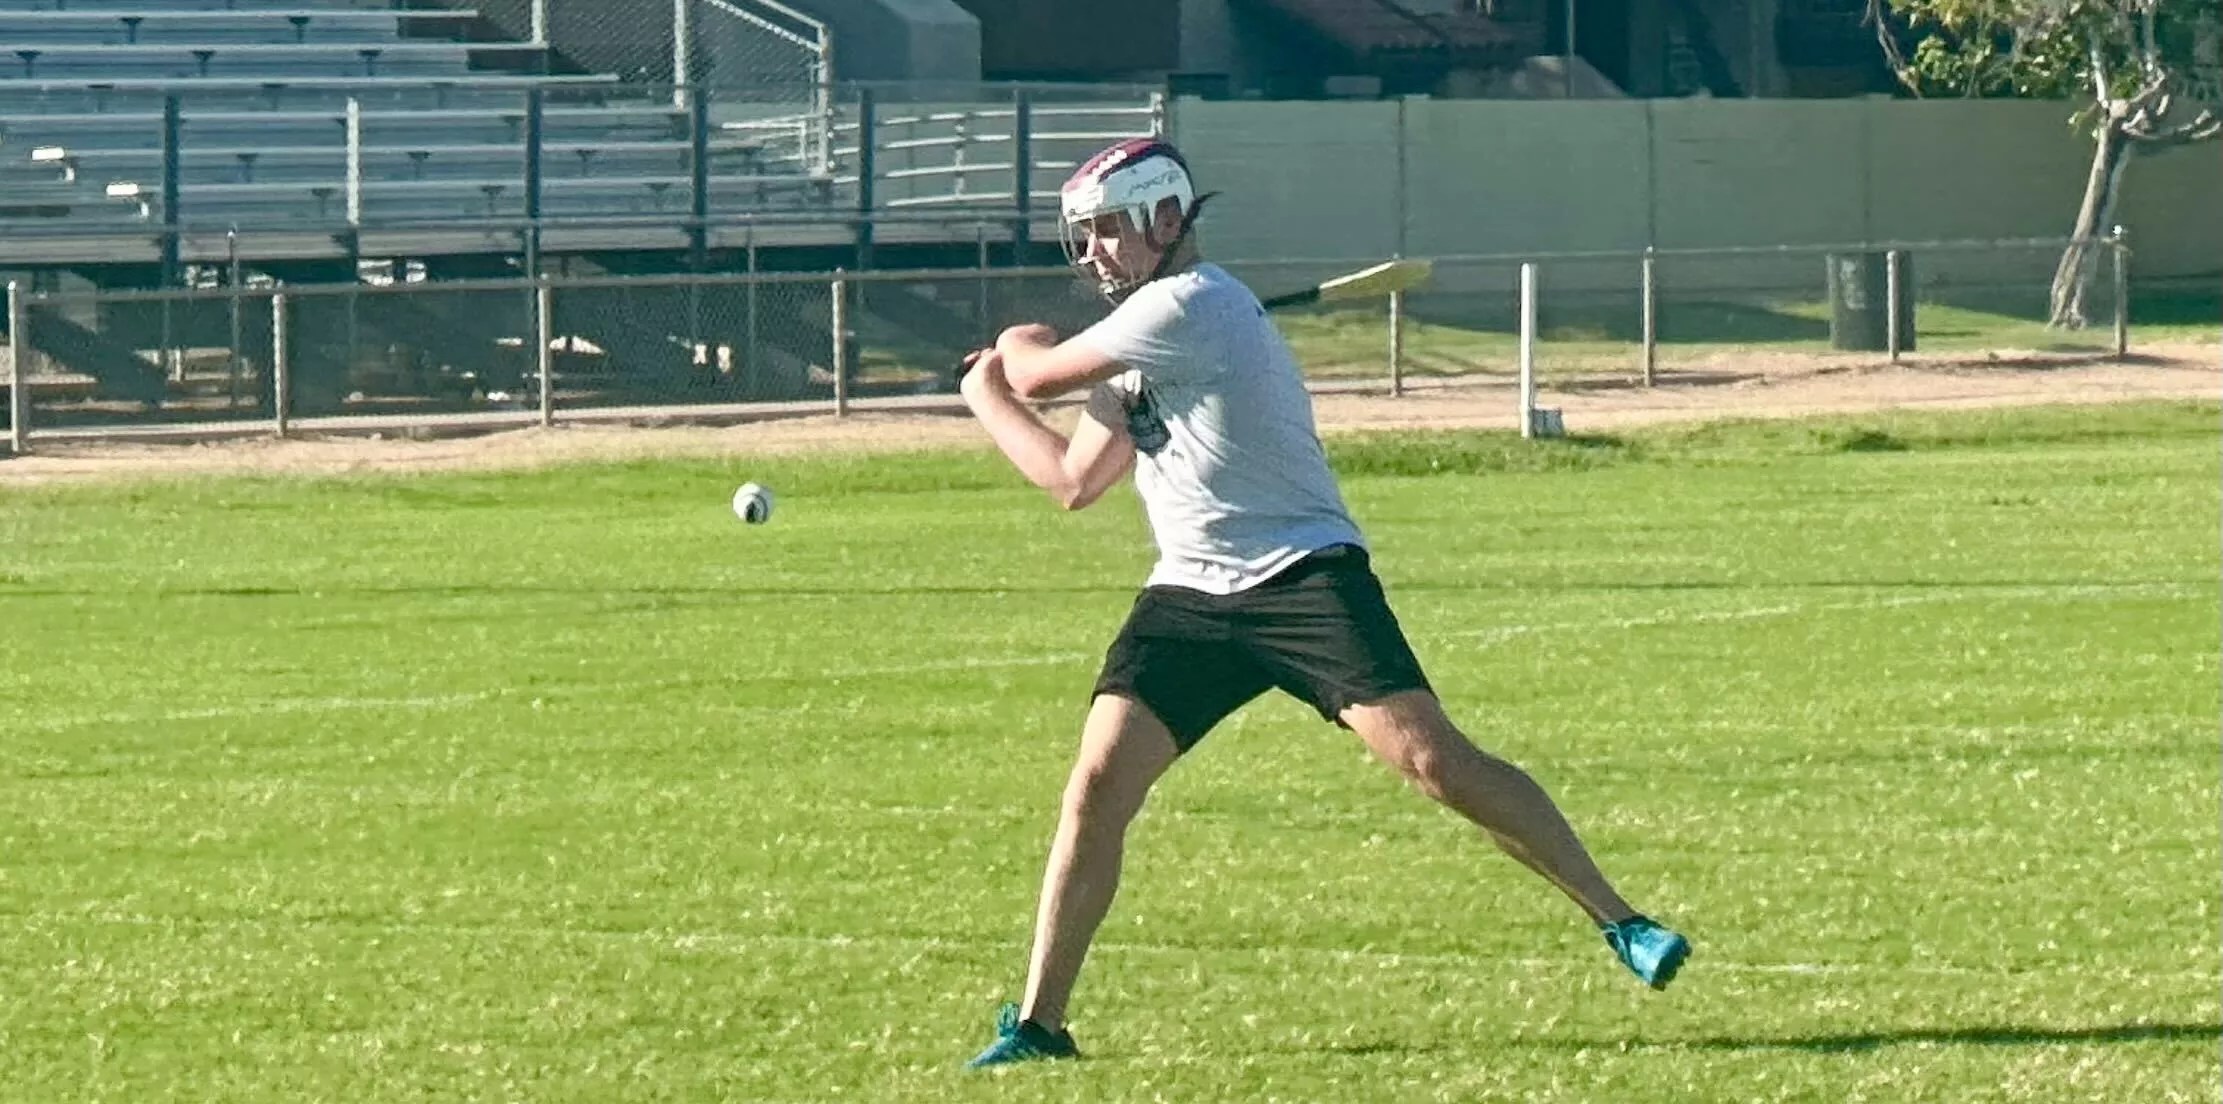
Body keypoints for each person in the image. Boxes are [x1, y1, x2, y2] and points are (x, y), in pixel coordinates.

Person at [954, 137, 1690, 1069]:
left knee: (1436, 763)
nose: (1093, 251)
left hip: (1301, 576)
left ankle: (1621, 920)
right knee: (1096, 788)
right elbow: (1071, 480)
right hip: (1190, 595)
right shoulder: (1137, 336)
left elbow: (1037, 373)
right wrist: (986, 398)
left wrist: (1010, 353)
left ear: (1166, 219)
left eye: (1107, 228)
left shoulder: (1192, 302)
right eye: (1084, 234)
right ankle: (1039, 1026)